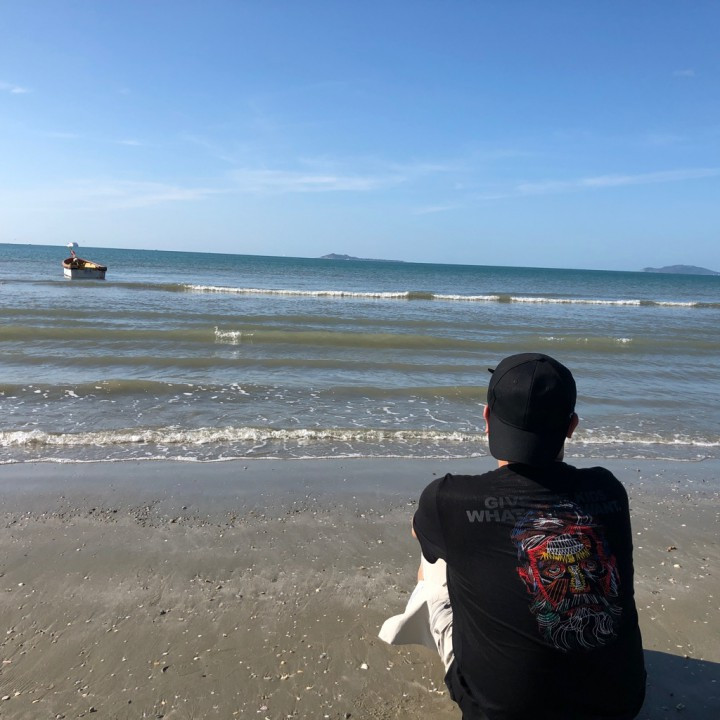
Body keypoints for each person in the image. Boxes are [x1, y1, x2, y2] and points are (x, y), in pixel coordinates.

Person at [412, 352, 646, 720]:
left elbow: (418, 532)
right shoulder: (608, 489)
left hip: (497, 712)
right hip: (619, 706)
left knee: (435, 562)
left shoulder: (449, 499)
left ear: (487, 418)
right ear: (571, 426)